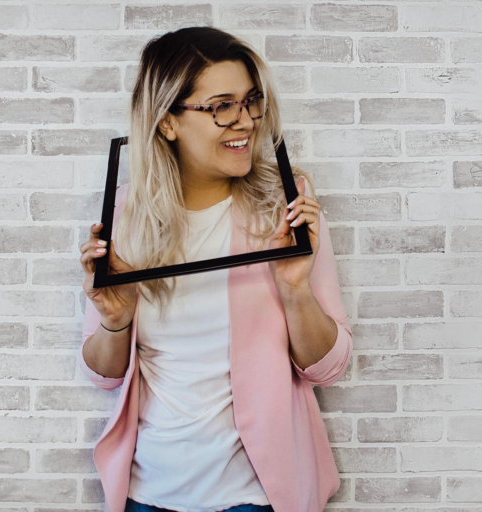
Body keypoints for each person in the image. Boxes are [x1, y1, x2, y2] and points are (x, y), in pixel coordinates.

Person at [78, 27, 353, 512]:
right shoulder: (125, 217)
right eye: (221, 106)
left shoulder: (285, 207)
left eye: (250, 102)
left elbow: (328, 367)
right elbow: (105, 374)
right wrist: (115, 320)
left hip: (258, 496)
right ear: (167, 122)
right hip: (147, 494)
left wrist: (295, 290)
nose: (244, 121)